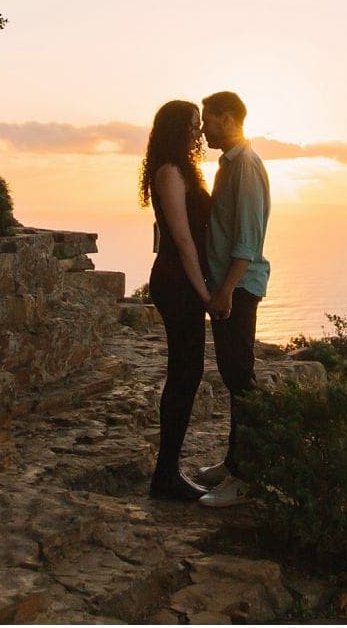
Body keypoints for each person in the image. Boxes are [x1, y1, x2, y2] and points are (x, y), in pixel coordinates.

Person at [195, 89, 271, 508]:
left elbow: (247, 240)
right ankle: (234, 462)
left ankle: (246, 476)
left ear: (227, 118)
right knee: (232, 374)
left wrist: (224, 290)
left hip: (237, 289)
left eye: (209, 118)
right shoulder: (229, 165)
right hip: (230, 287)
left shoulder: (245, 166)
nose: (204, 126)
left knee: (241, 378)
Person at [139, 99, 216, 501]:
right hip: (176, 282)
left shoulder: (183, 168)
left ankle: (167, 470)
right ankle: (165, 474)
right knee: (184, 374)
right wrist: (204, 291)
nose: (199, 131)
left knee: (188, 373)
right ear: (176, 128)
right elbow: (182, 239)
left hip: (182, 282)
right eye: (193, 124)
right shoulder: (169, 173)